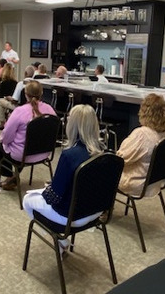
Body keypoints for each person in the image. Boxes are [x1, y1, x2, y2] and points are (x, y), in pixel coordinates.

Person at [22, 104, 105, 252]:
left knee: (27, 200)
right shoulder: (104, 154)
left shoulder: (69, 155)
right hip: (96, 211)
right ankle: (61, 241)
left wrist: (47, 190)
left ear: (72, 126)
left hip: (70, 217)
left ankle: (60, 240)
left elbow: (54, 198)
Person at [0, 80, 56, 190]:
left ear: (25, 94)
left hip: (23, 155)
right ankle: (12, 178)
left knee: (0, 146)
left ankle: (10, 177)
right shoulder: (50, 110)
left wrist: (3, 139)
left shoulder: (19, 111)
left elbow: (7, 137)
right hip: (44, 153)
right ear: (42, 93)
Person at [117, 93, 165, 197]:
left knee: (101, 172)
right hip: (154, 183)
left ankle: (100, 211)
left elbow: (121, 159)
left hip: (136, 182)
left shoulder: (142, 134)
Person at [0, 65, 35, 129]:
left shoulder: (20, 84)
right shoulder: (36, 84)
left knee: (0, 101)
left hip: (19, 106)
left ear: (25, 73)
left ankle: (2, 124)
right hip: (32, 106)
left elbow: (15, 100)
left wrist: (8, 98)